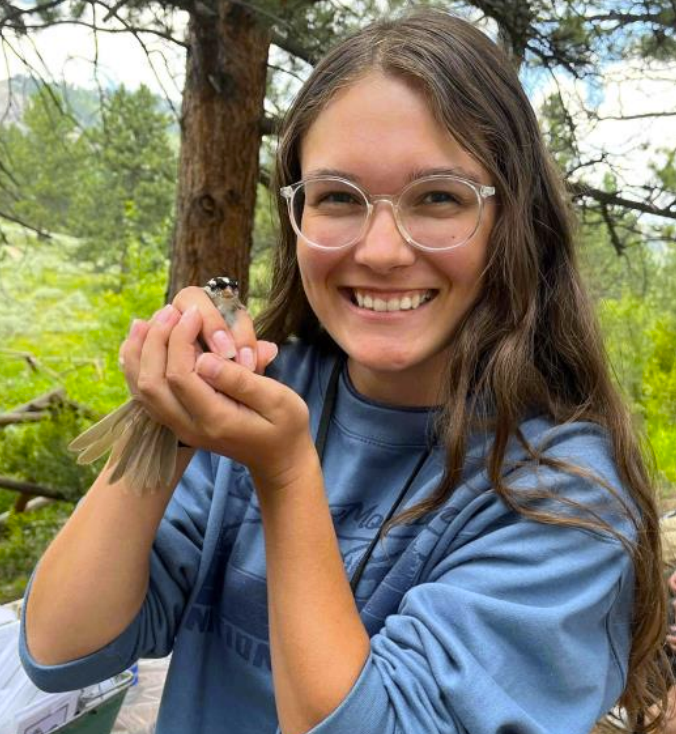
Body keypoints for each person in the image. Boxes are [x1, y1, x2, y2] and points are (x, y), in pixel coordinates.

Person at [19, 8, 669, 734]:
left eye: (439, 198)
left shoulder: (561, 495)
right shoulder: (268, 393)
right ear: (295, 214)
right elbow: (62, 649)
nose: (383, 250)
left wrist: (287, 474)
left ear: (516, 221)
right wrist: (167, 421)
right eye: (337, 198)